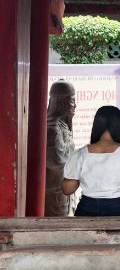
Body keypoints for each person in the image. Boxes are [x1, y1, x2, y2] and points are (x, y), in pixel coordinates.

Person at [45, 81, 76, 217]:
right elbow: (58, 159)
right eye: (71, 101)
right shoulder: (52, 129)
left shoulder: (62, 125)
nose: (75, 105)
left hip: (63, 189)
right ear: (60, 102)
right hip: (55, 192)